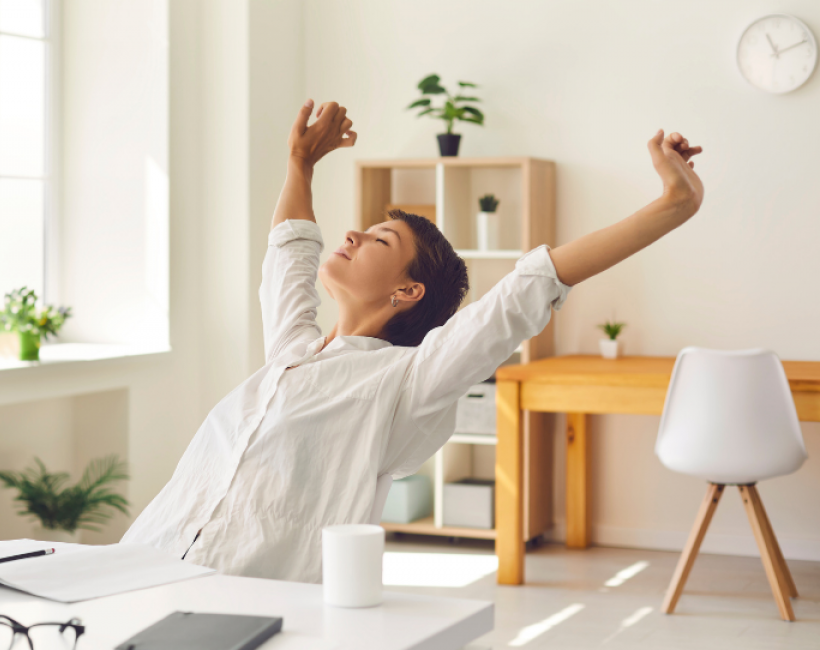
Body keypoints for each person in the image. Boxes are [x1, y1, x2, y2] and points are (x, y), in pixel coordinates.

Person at [121, 99, 704, 583]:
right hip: (141, 562)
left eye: (378, 239)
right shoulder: (292, 354)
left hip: (239, 603)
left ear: (407, 290)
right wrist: (300, 163)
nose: (352, 233)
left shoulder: (406, 382)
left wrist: (674, 206)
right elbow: (289, 253)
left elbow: (531, 285)